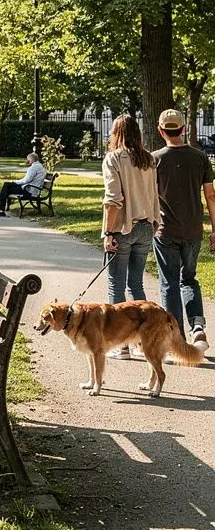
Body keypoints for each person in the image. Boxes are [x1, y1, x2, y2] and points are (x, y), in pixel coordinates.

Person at [152, 108, 215, 348]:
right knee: (188, 279)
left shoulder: (154, 159)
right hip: (193, 229)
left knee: (169, 283)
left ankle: (175, 335)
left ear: (160, 131)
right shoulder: (199, 158)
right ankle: (197, 326)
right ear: (184, 129)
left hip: (165, 230)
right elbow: (211, 195)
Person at [101, 115, 161, 359]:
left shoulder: (114, 158)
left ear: (116, 133)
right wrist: (155, 220)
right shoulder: (148, 159)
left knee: (116, 283)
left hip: (123, 227)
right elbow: (155, 194)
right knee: (136, 284)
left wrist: (107, 232)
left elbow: (113, 199)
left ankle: (120, 344)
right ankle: (141, 340)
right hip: (146, 225)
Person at [0, 152, 46, 217]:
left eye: (28, 160)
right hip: (33, 189)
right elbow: (27, 180)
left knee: (7, 186)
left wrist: (14, 182)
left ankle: (0, 206)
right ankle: (0, 208)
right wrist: (14, 182)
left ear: (31, 160)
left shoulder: (33, 168)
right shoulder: (40, 166)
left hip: (29, 190)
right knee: (7, 186)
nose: (27, 161)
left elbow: (26, 180)